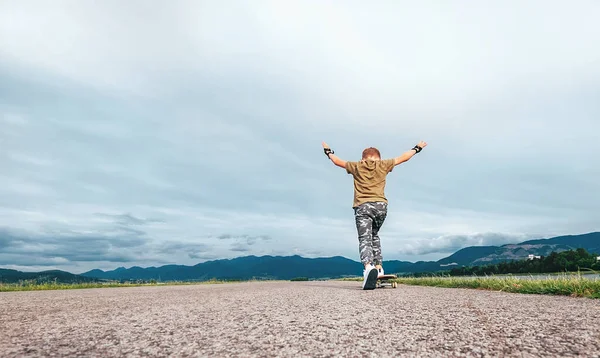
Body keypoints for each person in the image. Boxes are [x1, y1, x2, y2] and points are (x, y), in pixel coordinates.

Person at [322, 140, 427, 289]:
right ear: (378, 158)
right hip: (381, 207)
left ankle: (368, 267)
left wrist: (328, 151)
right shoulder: (383, 165)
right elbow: (403, 158)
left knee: (365, 238)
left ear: (363, 158)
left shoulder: (357, 166)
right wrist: (417, 148)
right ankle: (379, 268)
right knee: (375, 235)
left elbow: (337, 161)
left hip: (363, 207)